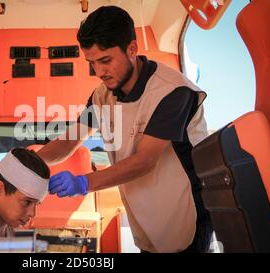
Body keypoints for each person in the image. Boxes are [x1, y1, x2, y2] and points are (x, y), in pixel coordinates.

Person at [37, 6, 213, 252]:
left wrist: (82, 183)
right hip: (143, 218)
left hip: (184, 214)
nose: (99, 72)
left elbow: (144, 161)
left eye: (105, 60)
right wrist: (29, 160)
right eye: (92, 63)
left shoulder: (172, 91)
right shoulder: (102, 97)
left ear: (132, 48)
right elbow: (69, 140)